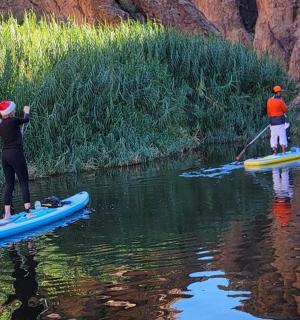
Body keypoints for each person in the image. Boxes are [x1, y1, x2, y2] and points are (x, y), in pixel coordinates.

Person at [0, 100, 31, 220]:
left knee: (9, 185)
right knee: (23, 182)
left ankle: (7, 214)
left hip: (5, 156)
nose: (14, 111)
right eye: (13, 109)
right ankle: (28, 212)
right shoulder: (14, 120)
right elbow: (26, 119)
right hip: (16, 154)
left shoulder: (1, 125)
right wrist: (26, 111)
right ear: (11, 111)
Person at [266, 85, 289, 154]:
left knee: (273, 137)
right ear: (278, 92)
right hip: (280, 122)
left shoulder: (269, 101)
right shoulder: (280, 101)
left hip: (272, 122)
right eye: (280, 92)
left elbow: (268, 112)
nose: (280, 93)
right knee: (282, 136)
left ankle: (274, 152)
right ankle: (283, 152)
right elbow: (285, 109)